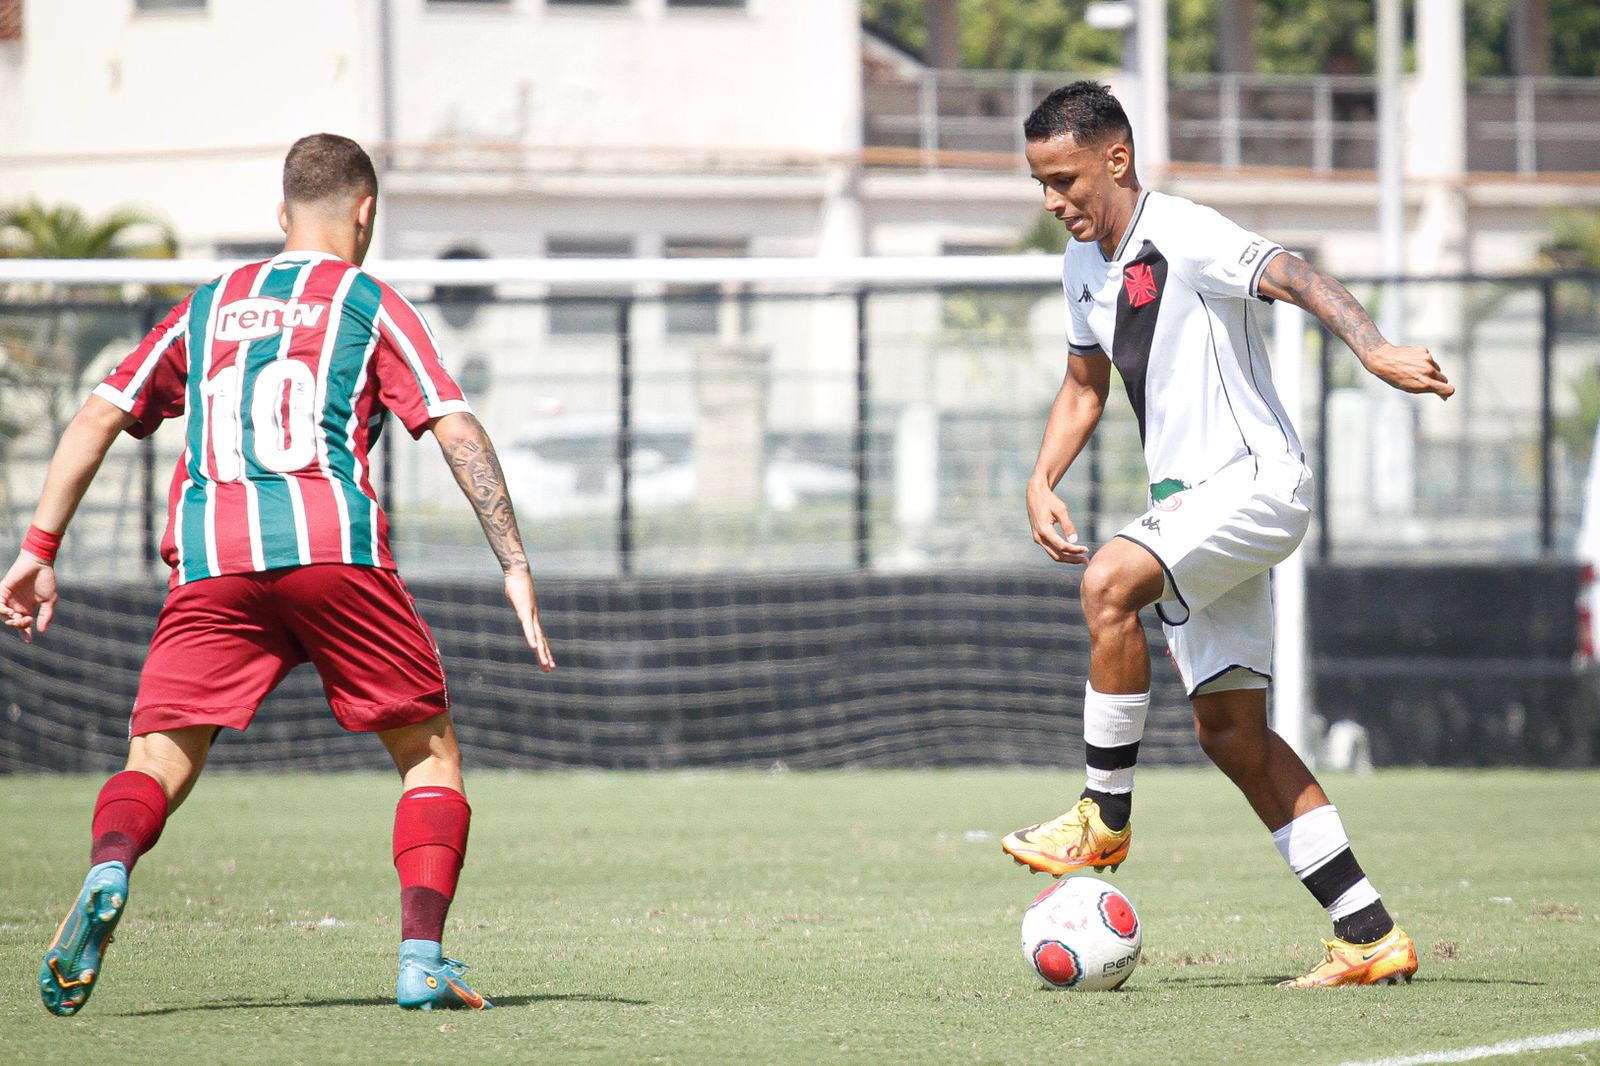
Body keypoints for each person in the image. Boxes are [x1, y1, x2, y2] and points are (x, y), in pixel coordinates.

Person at [0, 133, 555, 1015]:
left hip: (213, 560)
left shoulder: (208, 305)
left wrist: (38, 550)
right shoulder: (368, 301)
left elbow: (97, 416)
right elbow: (454, 426)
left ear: (280, 213)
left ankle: (111, 864)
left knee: (160, 756)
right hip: (333, 551)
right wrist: (515, 564)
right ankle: (421, 961)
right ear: (365, 212)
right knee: (427, 753)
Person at [997, 83, 1452, 988]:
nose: (1052, 199)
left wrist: (1373, 348)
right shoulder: (1082, 264)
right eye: (1040, 182)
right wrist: (1042, 479)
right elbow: (1085, 385)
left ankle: (1102, 815)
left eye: (1064, 179)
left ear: (1116, 160)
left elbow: (1297, 275)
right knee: (1231, 733)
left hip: (1253, 483)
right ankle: (1368, 933)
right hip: (1191, 508)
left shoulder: (1185, 232)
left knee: (1107, 583)